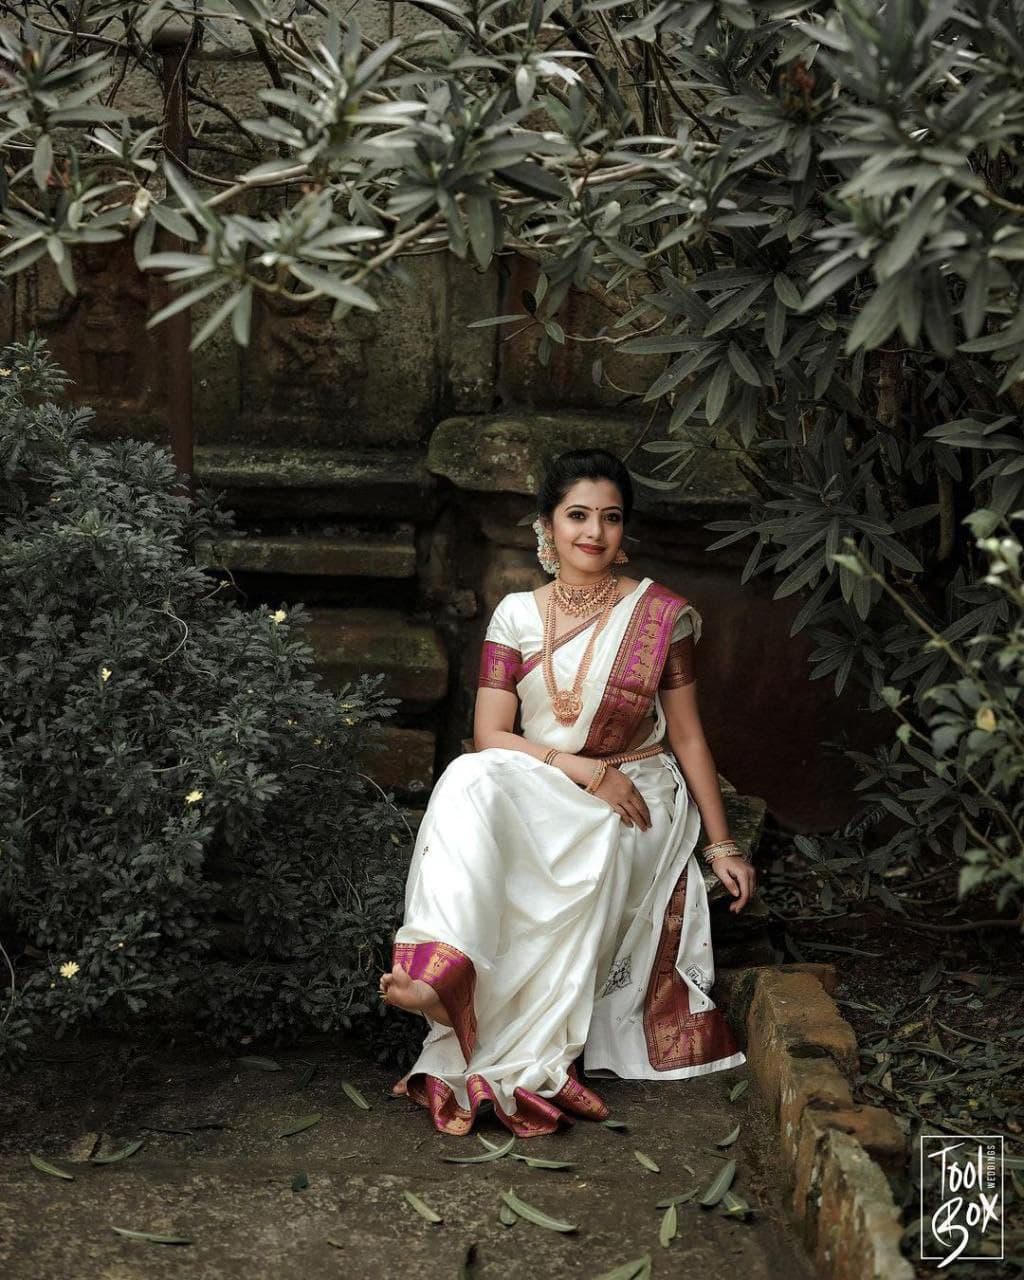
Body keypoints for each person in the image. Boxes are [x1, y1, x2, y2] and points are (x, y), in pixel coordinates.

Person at [378, 448, 756, 1137]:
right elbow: (490, 734)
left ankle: (517, 1051)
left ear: (624, 532)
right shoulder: (515, 615)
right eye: (577, 515)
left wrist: (722, 843)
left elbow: (690, 737)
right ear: (546, 529)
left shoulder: (660, 618)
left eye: (610, 519)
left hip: (637, 787)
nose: (594, 532)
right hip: (551, 776)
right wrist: (581, 769)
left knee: (598, 847)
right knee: (468, 774)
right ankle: (437, 965)